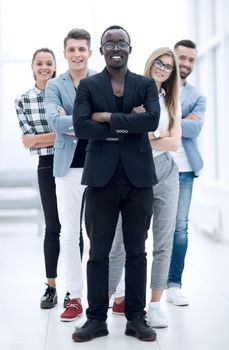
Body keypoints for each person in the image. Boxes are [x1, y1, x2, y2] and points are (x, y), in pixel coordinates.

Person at [72, 25, 160, 342]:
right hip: (100, 180)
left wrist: (106, 118)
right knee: (98, 252)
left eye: (121, 42)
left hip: (139, 181)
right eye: (109, 43)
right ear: (101, 51)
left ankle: (137, 318)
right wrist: (127, 123)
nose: (115, 47)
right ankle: (95, 319)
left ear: (130, 49)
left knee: (137, 252)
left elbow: (151, 121)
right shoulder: (89, 86)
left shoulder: (146, 84)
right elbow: (81, 126)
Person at [108, 47, 181, 329]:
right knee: (121, 241)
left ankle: (155, 305)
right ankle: (103, 301)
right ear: (151, 63)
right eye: (159, 63)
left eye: (168, 66)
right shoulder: (131, 90)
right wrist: (148, 133)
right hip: (135, 173)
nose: (162, 69)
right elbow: (120, 131)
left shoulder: (171, 100)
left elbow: (173, 144)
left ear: (172, 73)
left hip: (166, 171)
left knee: (163, 241)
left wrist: (147, 134)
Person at [45, 28, 96, 322]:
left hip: (100, 168)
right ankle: (74, 297)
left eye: (82, 49)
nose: (77, 54)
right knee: (69, 234)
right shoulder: (54, 85)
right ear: (64, 53)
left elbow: (110, 120)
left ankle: (115, 295)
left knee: (104, 235)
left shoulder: (103, 79)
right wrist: (89, 118)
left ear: (90, 52)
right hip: (67, 170)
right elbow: (54, 121)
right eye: (72, 49)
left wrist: (73, 120)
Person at [15, 48, 61, 309]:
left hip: (71, 163)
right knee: (52, 227)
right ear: (33, 67)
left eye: (49, 63)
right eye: (39, 63)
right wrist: (57, 134)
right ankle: (51, 287)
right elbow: (27, 141)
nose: (44, 67)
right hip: (45, 165)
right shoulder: (22, 100)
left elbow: (74, 132)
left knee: (73, 229)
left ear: (55, 67)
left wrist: (41, 137)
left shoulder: (65, 92)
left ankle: (74, 292)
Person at [166, 40, 206, 306]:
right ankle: (136, 287)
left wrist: (165, 122)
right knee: (143, 228)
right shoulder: (155, 86)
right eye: (182, 58)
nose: (186, 64)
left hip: (185, 171)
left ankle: (173, 285)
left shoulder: (197, 97)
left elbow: (195, 129)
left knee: (179, 229)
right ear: (172, 57)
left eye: (191, 60)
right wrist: (182, 121)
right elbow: (146, 122)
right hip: (154, 168)